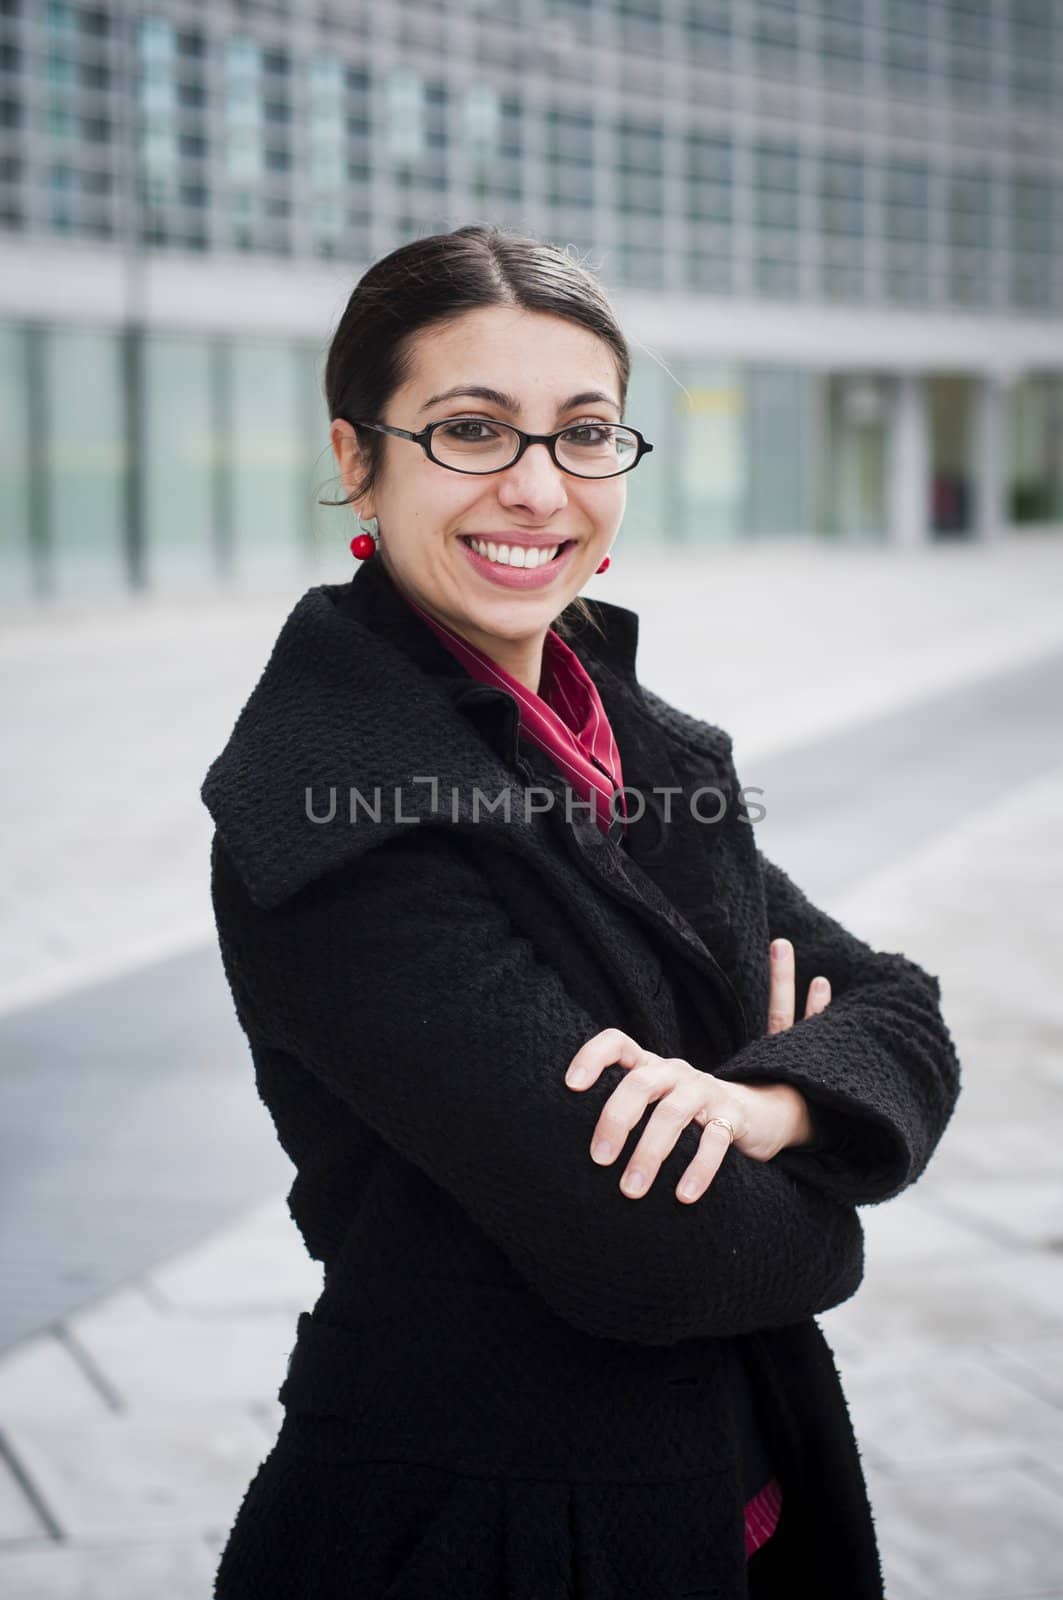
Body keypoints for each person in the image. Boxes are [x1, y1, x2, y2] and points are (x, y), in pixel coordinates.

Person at [201, 224, 961, 1599]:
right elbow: (665, 1260)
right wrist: (839, 1208)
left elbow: (903, 1007)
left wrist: (766, 1109)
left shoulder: (640, 744)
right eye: (471, 431)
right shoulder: (334, 810)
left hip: (739, 1483)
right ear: (355, 457)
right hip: (480, 1534)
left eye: (586, 433)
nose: (539, 489)